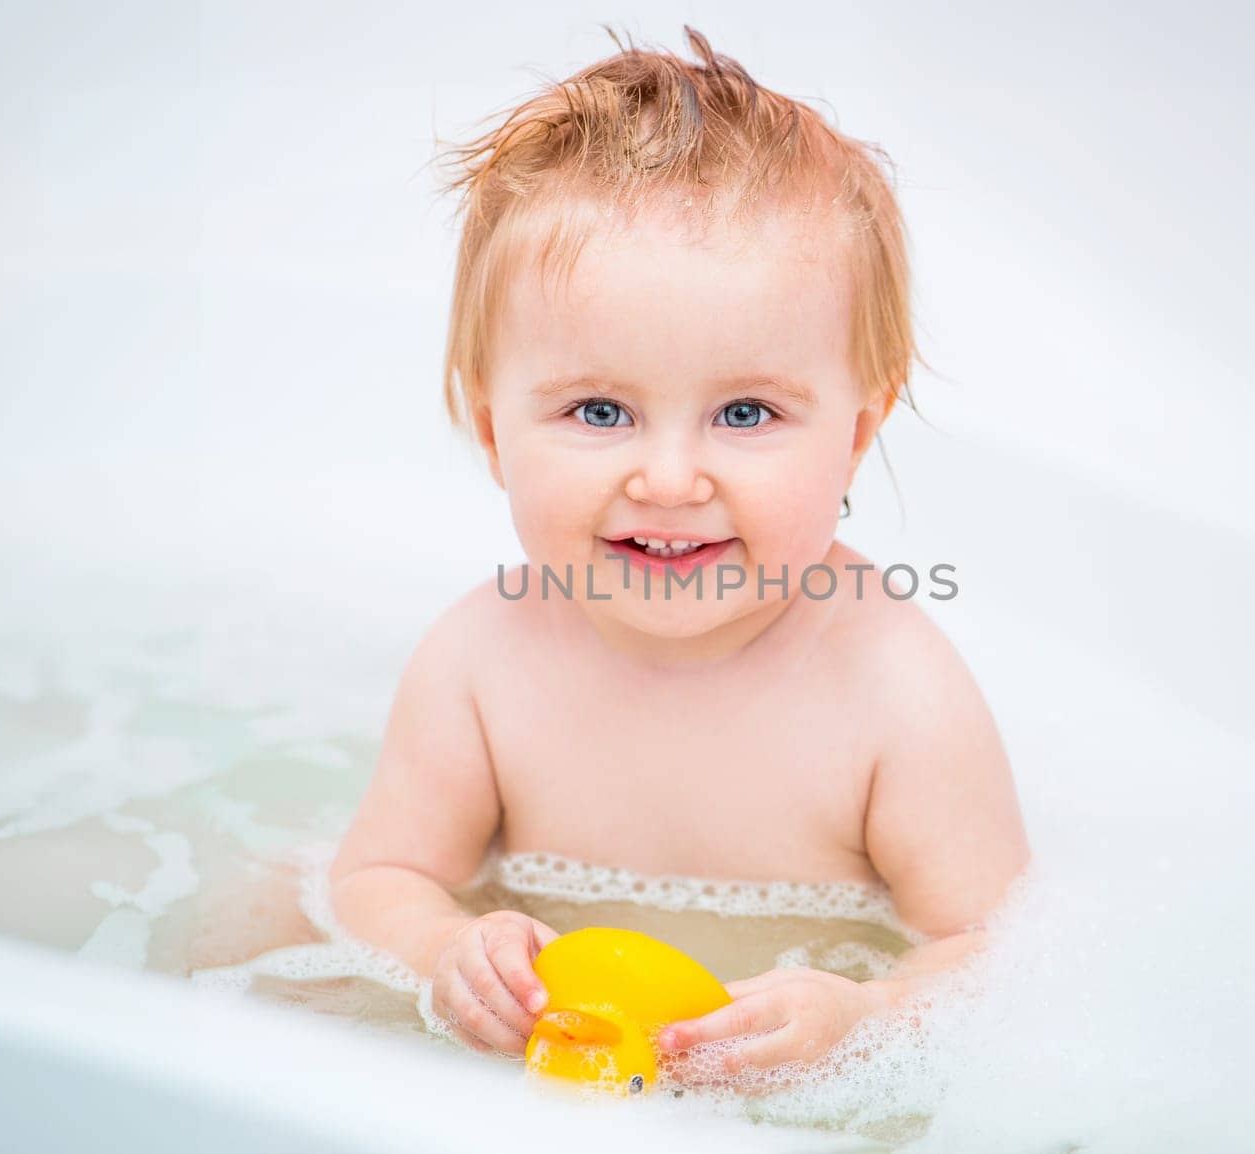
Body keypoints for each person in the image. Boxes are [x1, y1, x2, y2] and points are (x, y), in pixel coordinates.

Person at [329, 25, 1029, 1082]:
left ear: (854, 430)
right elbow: (375, 875)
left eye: (744, 412)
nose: (667, 478)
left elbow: (998, 957)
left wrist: (867, 1014)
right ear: (489, 430)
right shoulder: (481, 659)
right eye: (599, 408)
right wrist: (443, 952)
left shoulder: (894, 692)